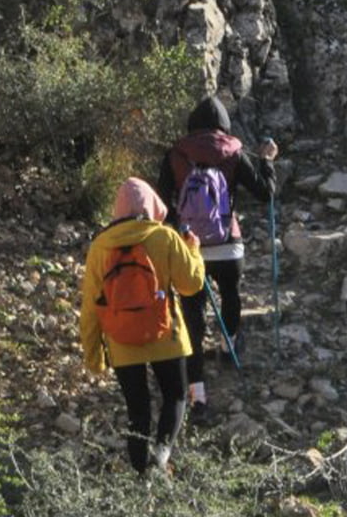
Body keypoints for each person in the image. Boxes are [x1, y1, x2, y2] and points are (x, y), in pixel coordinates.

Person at [156, 96, 278, 422]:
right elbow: (265, 193)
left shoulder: (175, 154)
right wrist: (267, 161)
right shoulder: (234, 153)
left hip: (190, 248)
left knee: (192, 319)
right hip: (228, 243)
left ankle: (198, 395)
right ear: (224, 125)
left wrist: (178, 235)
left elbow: (160, 204)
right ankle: (228, 346)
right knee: (231, 293)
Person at [79, 177, 204, 476]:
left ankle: (140, 477)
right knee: (174, 395)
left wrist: (93, 354)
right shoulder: (165, 237)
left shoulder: (100, 246)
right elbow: (191, 285)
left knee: (138, 410)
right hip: (166, 334)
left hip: (121, 339)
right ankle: (161, 456)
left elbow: (90, 306)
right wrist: (194, 251)